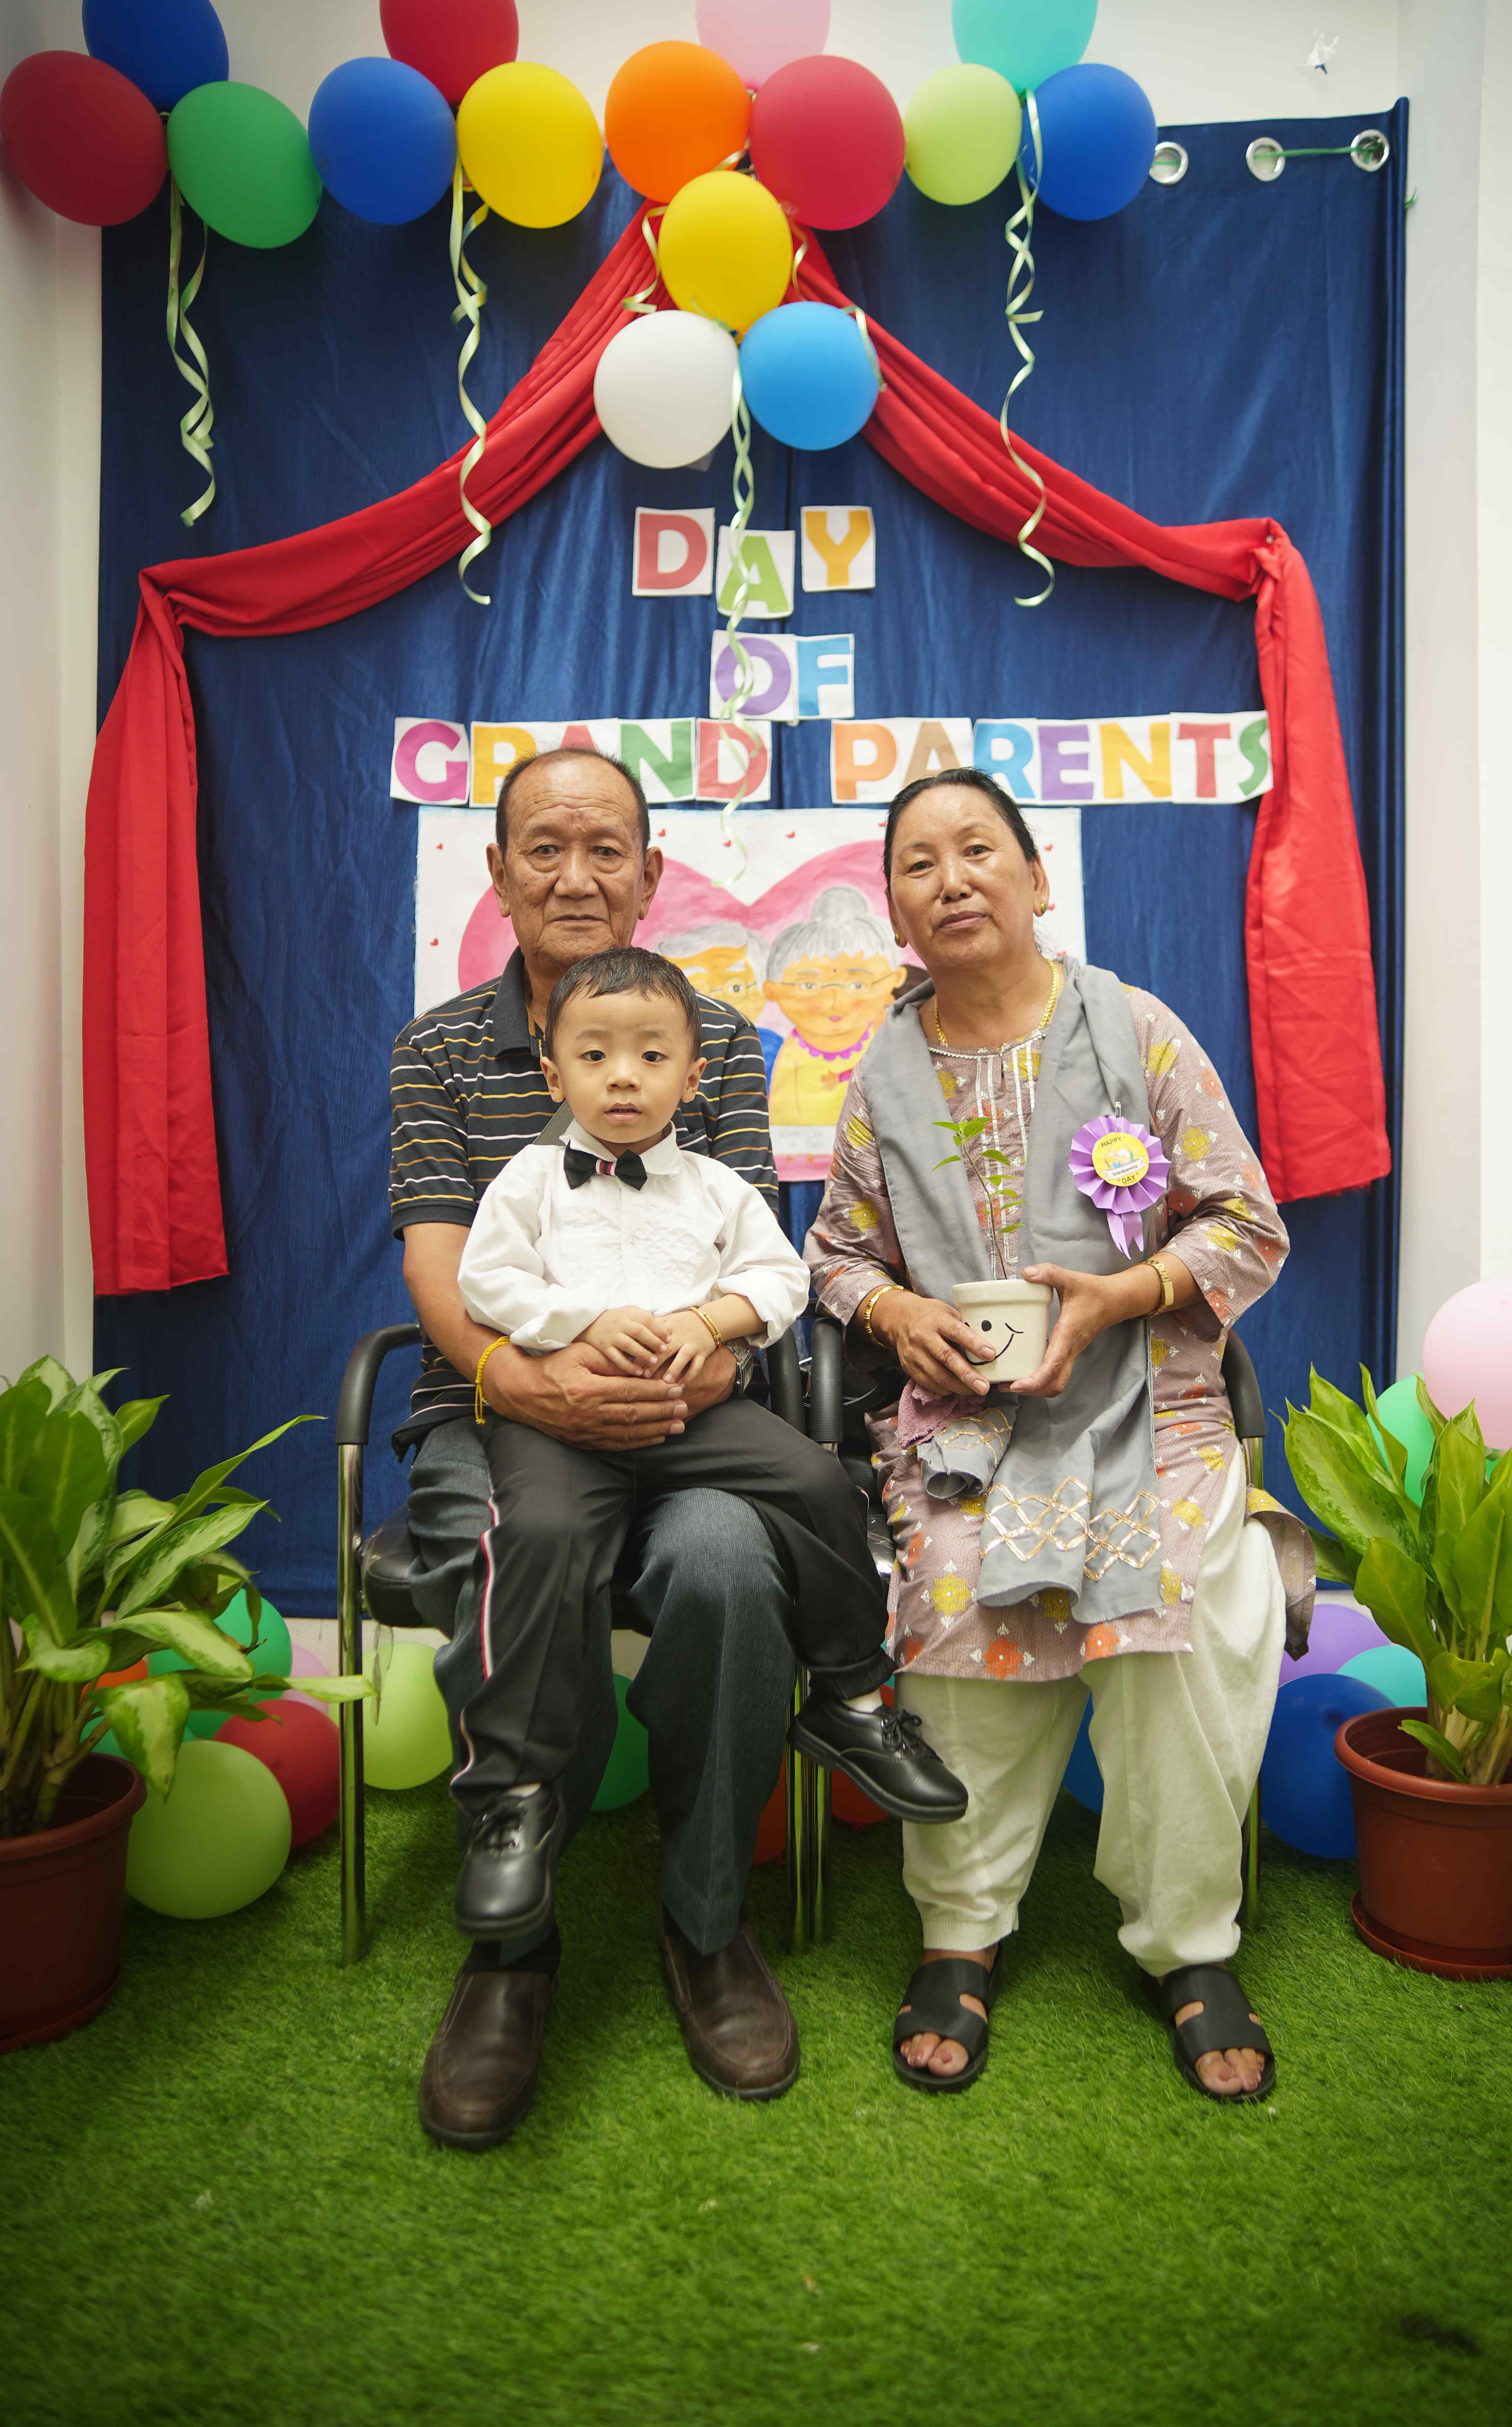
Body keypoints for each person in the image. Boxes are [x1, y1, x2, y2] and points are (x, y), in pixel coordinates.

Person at [806, 767, 1313, 2103]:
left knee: (1177, 1614)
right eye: (918, 864)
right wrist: (899, 1311)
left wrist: (1120, 1295)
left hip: (1153, 1402)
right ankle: (959, 1929)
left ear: (1037, 879)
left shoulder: (1135, 1031)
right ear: (896, 915)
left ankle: (1189, 1940)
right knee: (955, 1604)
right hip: (968, 1420)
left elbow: (1245, 1223)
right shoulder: (882, 1076)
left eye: (978, 849)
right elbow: (835, 1256)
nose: (951, 879)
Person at [392, 747, 811, 2148]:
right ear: (499, 871)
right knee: (512, 1543)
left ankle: (707, 1920)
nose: (575, 875)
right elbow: (440, 1275)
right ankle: (511, 1949)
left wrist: (697, 1367)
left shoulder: (721, 1042)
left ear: (649, 871)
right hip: (494, 1409)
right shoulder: (439, 1052)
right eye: (544, 847)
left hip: (684, 1410)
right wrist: (536, 1385)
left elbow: (749, 1266)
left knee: (729, 1564)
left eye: (606, 848)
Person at [448, 942, 966, 1950]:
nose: (623, 1076)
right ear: (553, 1075)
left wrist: (711, 1320)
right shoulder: (527, 1180)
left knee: (817, 1480)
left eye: (650, 1055)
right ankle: (512, 1793)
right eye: (595, 1055)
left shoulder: (717, 1187)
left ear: (692, 1078)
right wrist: (582, 1322)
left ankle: (852, 1692)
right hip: (562, 1423)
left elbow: (781, 1281)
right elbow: (487, 1282)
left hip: (693, 1413)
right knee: (538, 1537)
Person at [762, 884, 907, 1141]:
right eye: (809, 986)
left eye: (857, 985)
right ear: (773, 990)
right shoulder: (791, 1055)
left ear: (894, 980)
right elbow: (784, 1118)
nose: (834, 1002)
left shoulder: (884, 1042)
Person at [659, 921, 783, 1087]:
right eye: (698, 992)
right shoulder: (664, 1050)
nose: (717, 1002)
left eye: (736, 988)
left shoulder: (771, 1049)